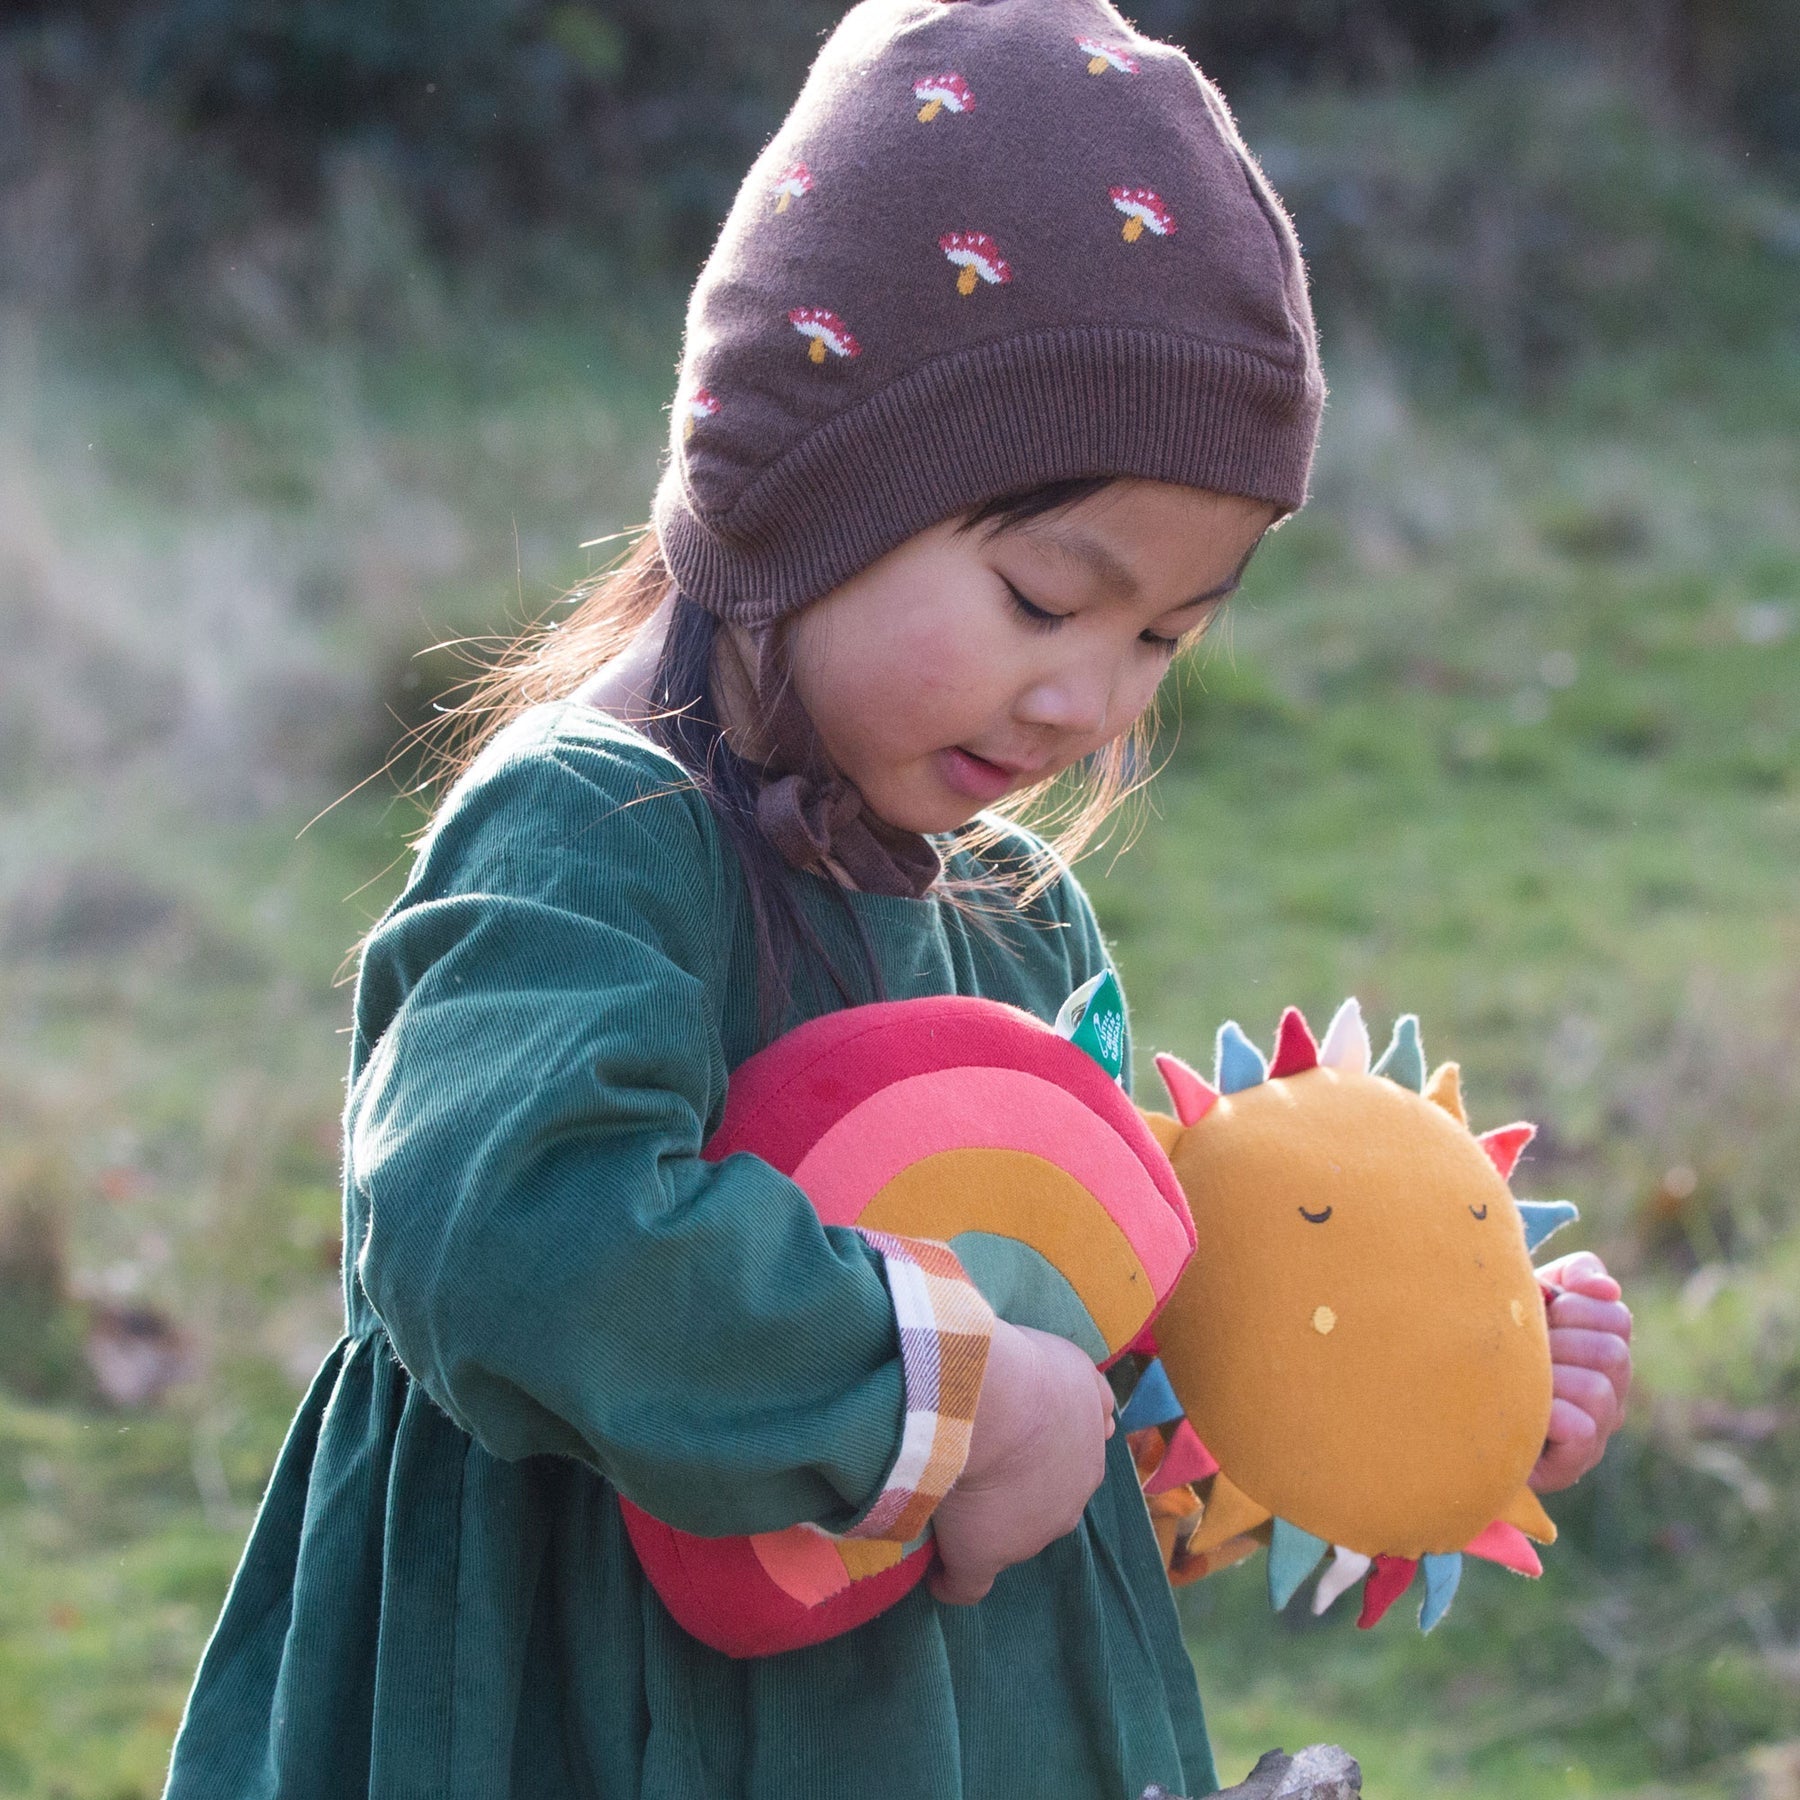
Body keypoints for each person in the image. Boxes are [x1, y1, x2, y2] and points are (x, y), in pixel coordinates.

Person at [162, 2, 1633, 1796]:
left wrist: (1436, 1388)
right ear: (811, 485)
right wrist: (936, 1394)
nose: (1088, 699)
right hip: (590, 1718)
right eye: (1045, 600)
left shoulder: (1014, 921)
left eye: (1163, 637)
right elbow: (505, 1228)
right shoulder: (591, 836)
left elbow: (1092, 1402)